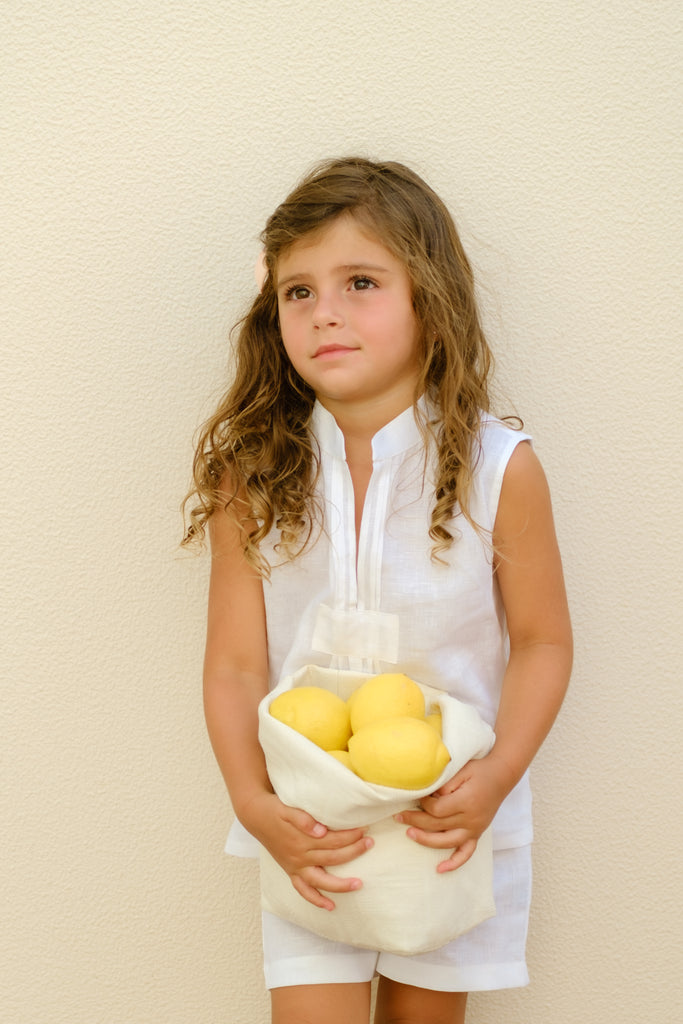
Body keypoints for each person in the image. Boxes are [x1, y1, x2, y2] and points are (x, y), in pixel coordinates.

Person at [183, 157, 572, 1024]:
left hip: (448, 831)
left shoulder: (497, 470)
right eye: (297, 291)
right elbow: (236, 666)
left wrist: (499, 775)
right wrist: (253, 803)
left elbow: (543, 641)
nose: (324, 310)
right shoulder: (250, 481)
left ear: (428, 299)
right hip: (312, 833)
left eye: (359, 281)